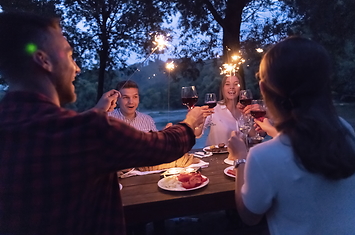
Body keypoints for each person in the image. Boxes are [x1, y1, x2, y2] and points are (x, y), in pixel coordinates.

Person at [0, 12, 212, 235]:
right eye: (70, 56)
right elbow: (163, 146)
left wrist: (96, 112)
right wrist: (189, 123)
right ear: (44, 60)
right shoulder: (89, 131)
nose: (77, 68)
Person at [228, 36, 355, 234]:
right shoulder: (345, 131)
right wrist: (274, 130)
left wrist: (240, 159)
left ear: (263, 89)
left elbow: (249, 216)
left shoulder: (263, 157)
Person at [195, 74, 242, 145]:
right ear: (223, 88)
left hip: (242, 155)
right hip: (216, 155)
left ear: (240, 88)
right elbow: (197, 134)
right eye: (227, 84)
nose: (231, 87)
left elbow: (257, 137)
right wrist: (198, 121)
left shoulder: (246, 110)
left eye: (235, 84)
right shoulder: (214, 109)